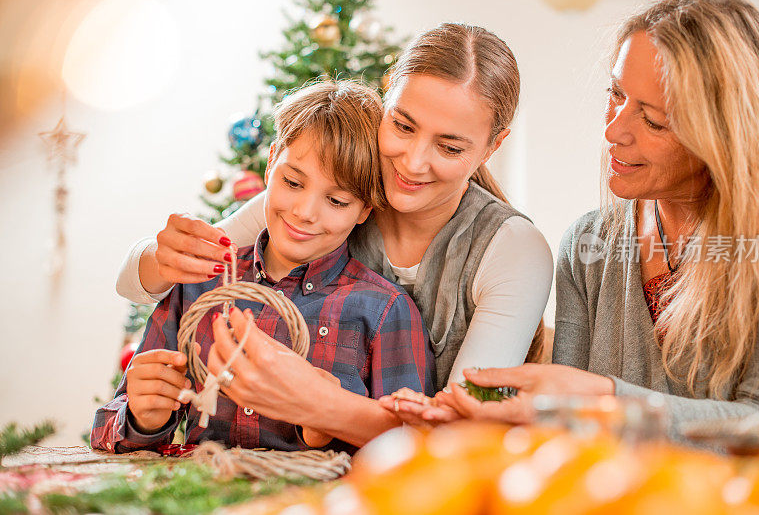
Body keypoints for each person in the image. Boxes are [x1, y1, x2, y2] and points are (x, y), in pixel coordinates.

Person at [114, 23, 554, 424]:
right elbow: (136, 283)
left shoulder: (513, 248)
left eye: (450, 148)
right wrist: (161, 255)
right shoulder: (328, 199)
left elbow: (464, 431)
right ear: (386, 103)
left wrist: (322, 407)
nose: (414, 162)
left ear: (493, 146)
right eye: (402, 125)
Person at [430, 0, 759, 435]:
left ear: (725, 137)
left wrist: (606, 399)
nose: (613, 130)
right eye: (616, 93)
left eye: (653, 119)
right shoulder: (590, 246)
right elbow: (566, 434)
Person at [92, 80, 433, 454]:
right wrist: (143, 418)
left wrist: (325, 422)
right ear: (271, 162)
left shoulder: (385, 312)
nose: (304, 213)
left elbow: (416, 453)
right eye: (292, 182)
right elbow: (110, 425)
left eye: (336, 201)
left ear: (365, 210)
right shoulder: (200, 283)